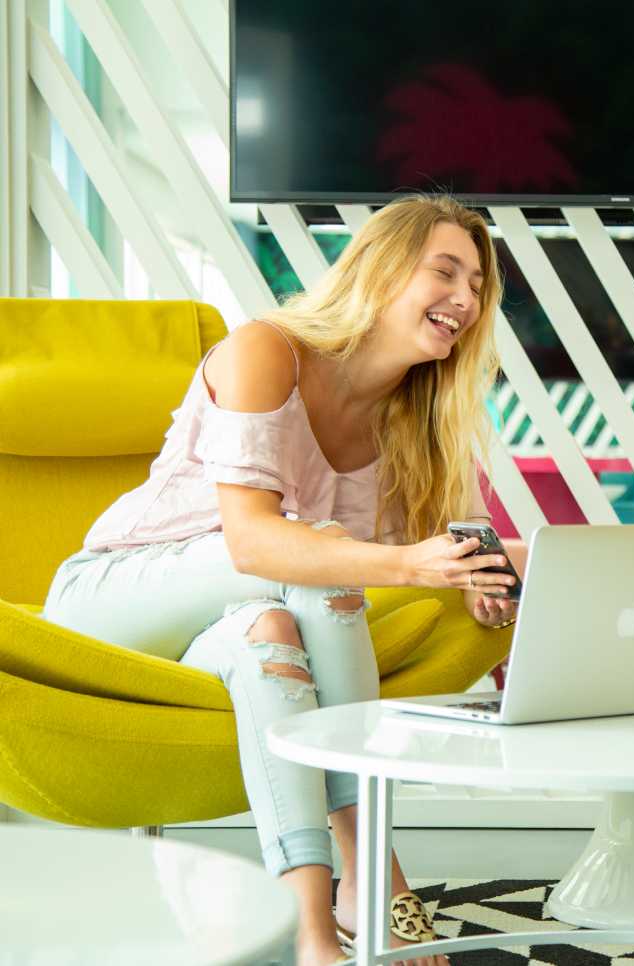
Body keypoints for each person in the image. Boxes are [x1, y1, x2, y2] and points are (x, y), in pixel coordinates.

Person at [43, 196, 519, 966]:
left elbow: (463, 546)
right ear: (382, 267)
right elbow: (254, 539)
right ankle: (372, 871)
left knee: (271, 639)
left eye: (477, 286)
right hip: (113, 597)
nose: (465, 299)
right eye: (445, 271)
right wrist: (409, 564)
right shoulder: (265, 351)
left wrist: (485, 577)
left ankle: (312, 932)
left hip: (241, 618)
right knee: (313, 561)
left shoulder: (417, 425)